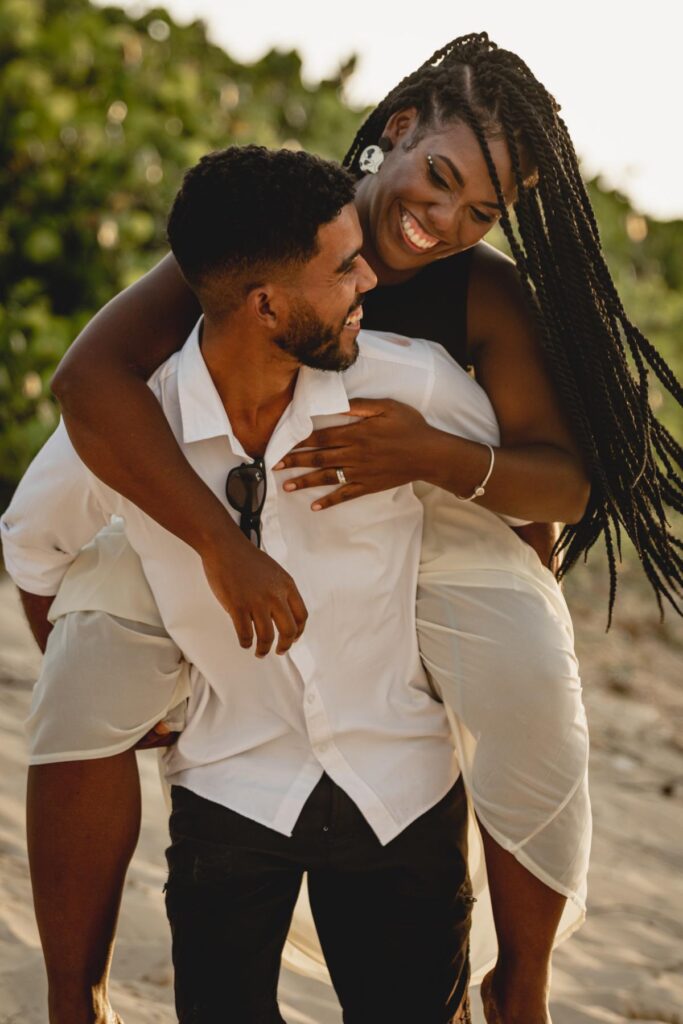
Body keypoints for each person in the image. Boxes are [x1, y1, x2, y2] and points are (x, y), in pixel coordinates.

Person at [9, 30, 683, 1024]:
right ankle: (77, 996)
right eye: (440, 177)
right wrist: (215, 544)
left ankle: (522, 984)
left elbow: (562, 485)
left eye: (482, 209)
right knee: (86, 656)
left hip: (428, 505)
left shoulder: (484, 291)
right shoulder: (287, 223)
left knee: (531, 670)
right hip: (228, 496)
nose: (444, 219)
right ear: (398, 131)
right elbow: (93, 381)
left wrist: (430, 457)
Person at [3, 145, 488, 1023]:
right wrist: (118, 699)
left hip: (401, 783)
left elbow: (514, 500)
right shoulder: (129, 424)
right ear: (265, 303)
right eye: (343, 268)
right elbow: (33, 550)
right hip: (228, 791)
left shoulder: (410, 385)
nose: (370, 279)